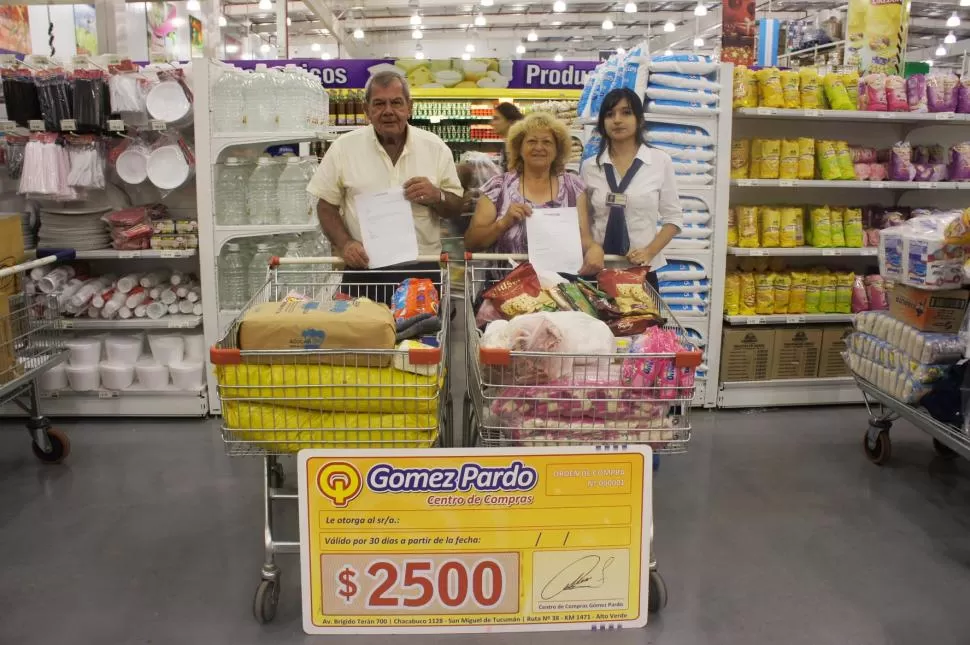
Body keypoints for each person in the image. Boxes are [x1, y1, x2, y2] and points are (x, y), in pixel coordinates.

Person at [307, 70, 464, 303]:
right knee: (361, 337)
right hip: (364, 270)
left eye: (396, 103)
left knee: (423, 338)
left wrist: (437, 196)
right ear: (366, 110)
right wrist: (345, 243)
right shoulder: (343, 148)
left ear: (409, 107)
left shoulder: (435, 148)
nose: (388, 111)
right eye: (379, 104)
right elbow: (326, 206)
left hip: (421, 271)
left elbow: (456, 206)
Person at [464, 111, 604, 275]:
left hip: (561, 290)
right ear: (519, 148)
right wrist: (502, 224)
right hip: (506, 290)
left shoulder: (573, 187)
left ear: (557, 149)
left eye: (547, 142)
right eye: (531, 141)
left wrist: (595, 249)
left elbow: (583, 238)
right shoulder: (498, 187)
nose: (539, 147)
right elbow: (471, 242)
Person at [581, 88, 683, 290]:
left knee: (643, 323)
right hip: (599, 270)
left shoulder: (659, 161)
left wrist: (649, 251)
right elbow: (585, 218)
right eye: (610, 115)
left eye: (626, 112)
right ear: (602, 123)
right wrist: (590, 247)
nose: (617, 120)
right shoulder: (590, 166)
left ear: (640, 120)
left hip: (641, 272)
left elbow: (673, 218)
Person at [491, 102, 524, 171]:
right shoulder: (507, 144)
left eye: (496, 118)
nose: (492, 123)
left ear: (510, 121)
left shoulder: (518, 147)